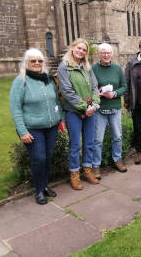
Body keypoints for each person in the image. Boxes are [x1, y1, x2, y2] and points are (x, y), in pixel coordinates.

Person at [9, 48, 64, 205]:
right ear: (26, 63)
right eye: (33, 61)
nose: (37, 63)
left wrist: (61, 119)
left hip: (51, 126)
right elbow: (15, 108)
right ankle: (39, 190)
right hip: (33, 128)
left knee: (47, 158)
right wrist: (22, 131)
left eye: (40, 60)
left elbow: (57, 102)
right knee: (38, 158)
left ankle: (45, 186)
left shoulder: (47, 79)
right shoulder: (21, 81)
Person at [58, 38, 101, 190]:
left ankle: (87, 170)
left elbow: (95, 87)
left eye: (84, 50)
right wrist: (85, 107)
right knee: (75, 145)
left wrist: (94, 105)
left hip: (90, 111)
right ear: (73, 47)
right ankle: (74, 174)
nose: (81, 51)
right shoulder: (64, 67)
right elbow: (67, 91)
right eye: (79, 48)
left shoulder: (87, 67)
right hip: (73, 112)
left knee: (89, 142)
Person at [92, 43, 127, 179]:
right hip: (99, 109)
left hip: (115, 108)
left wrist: (115, 94)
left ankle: (117, 160)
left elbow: (124, 86)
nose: (106, 55)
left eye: (108, 53)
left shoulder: (117, 68)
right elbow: (90, 86)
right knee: (98, 140)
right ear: (99, 55)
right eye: (103, 53)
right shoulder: (94, 69)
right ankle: (96, 166)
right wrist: (98, 92)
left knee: (117, 137)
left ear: (112, 54)